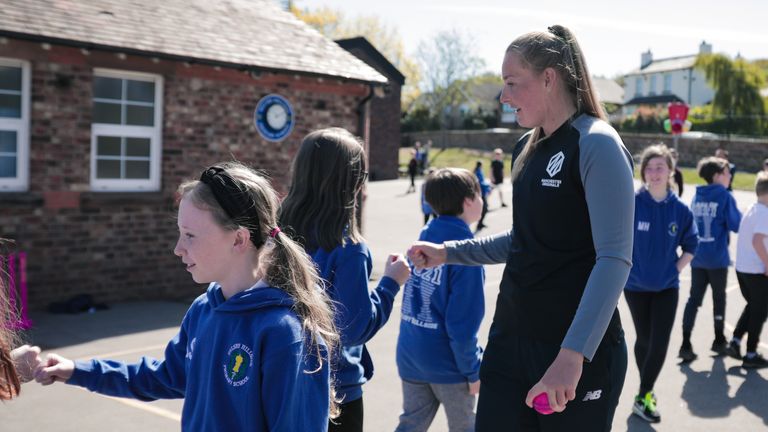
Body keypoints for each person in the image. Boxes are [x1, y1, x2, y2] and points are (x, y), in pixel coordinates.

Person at [408, 25, 635, 431]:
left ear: (549, 78)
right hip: (510, 340)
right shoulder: (524, 149)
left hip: (572, 354)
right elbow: (526, 240)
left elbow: (614, 259)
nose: (503, 96)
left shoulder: (596, 144)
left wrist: (572, 355)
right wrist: (449, 253)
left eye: (512, 83)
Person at [35, 163, 339, 431]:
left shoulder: (286, 334)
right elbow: (164, 376)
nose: (178, 248)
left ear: (238, 238)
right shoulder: (204, 310)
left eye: (190, 235)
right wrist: (78, 371)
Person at [279, 127, 411, 432]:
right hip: (336, 392)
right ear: (351, 183)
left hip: (282, 378)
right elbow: (354, 329)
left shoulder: (276, 234)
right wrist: (390, 283)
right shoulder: (348, 248)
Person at [396, 168, 485, 432]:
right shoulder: (466, 253)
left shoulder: (424, 237)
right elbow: (462, 324)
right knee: (465, 426)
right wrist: (472, 370)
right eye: (480, 194)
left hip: (411, 356)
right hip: (450, 366)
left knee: (410, 424)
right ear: (469, 201)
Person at [624, 144, 698, 423]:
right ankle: (646, 395)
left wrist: (674, 270)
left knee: (660, 341)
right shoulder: (631, 203)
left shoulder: (679, 210)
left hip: (667, 287)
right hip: (635, 287)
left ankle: (643, 393)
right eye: (649, 168)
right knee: (643, 340)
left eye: (660, 167)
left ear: (670, 171)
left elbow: (692, 244)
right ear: (643, 172)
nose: (654, 173)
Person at [679, 157, 741, 362]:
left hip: (697, 256)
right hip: (717, 258)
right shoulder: (724, 195)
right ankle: (718, 339)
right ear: (716, 176)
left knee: (693, 299)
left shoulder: (698, 195)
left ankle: (685, 342)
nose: (730, 176)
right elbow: (736, 224)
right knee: (719, 298)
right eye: (726, 172)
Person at [724, 171, 768, 369]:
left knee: (753, 306)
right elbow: (758, 241)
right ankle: (750, 354)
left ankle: (735, 341)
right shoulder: (764, 213)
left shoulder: (752, 208)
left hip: (743, 270)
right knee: (760, 311)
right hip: (756, 271)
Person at [473, 160, 491, 232]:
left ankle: (480, 223)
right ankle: (479, 223)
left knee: (485, 208)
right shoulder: (478, 172)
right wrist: (488, 185)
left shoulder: (478, 171)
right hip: (481, 193)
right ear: (481, 165)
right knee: (485, 208)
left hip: (481, 192)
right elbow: (480, 183)